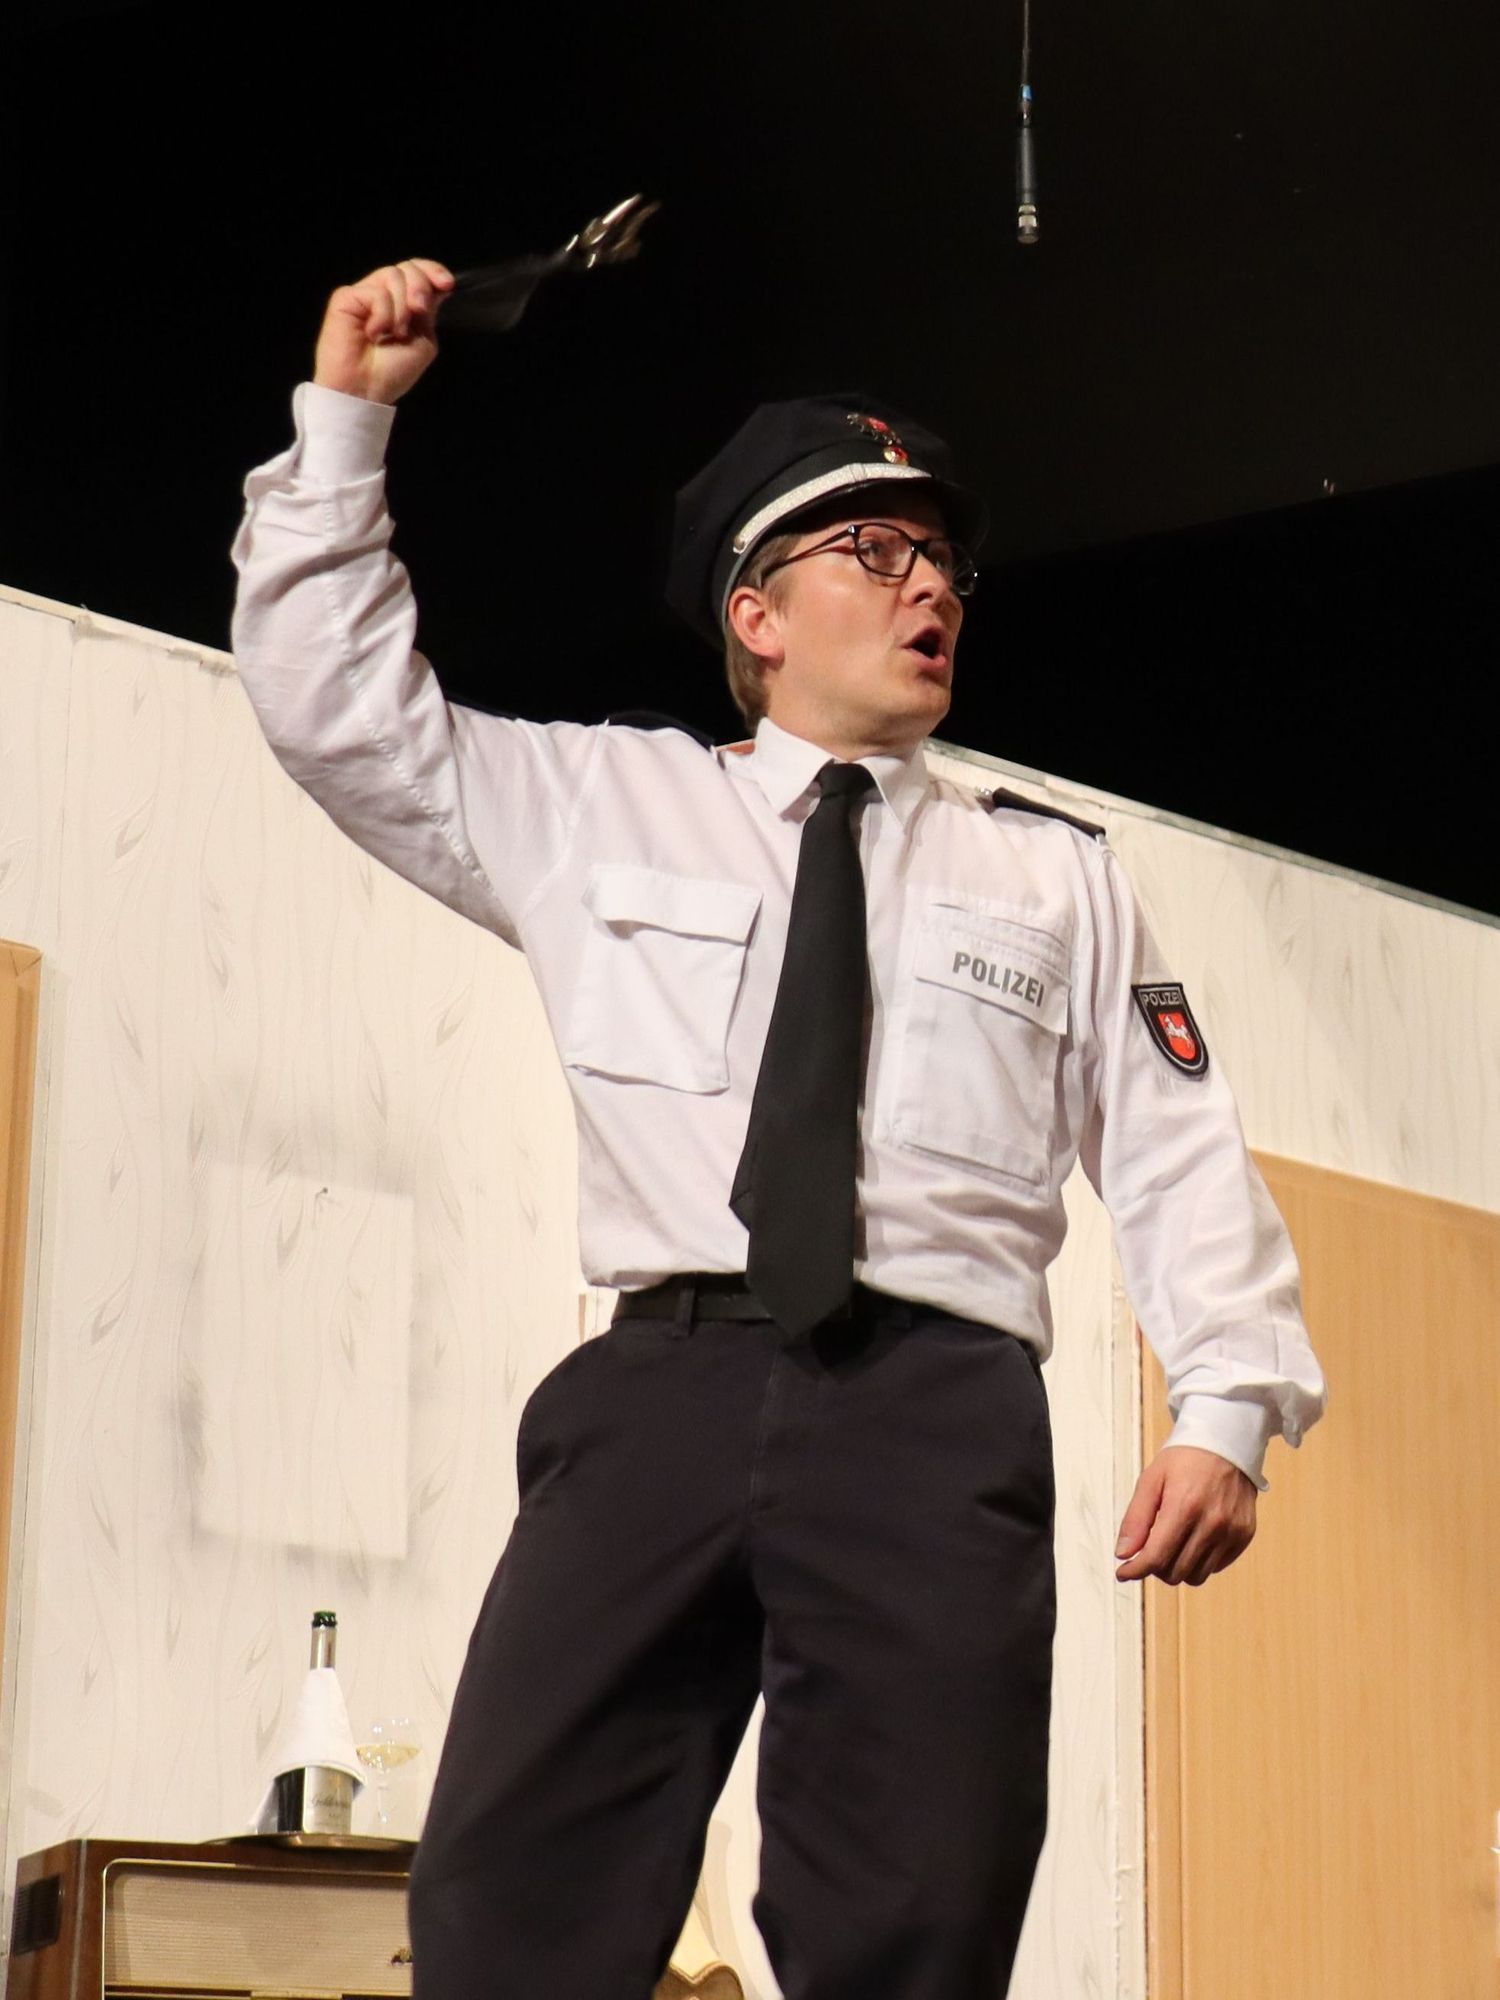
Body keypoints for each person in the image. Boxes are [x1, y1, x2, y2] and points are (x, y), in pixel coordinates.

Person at [229, 256, 1327, 2000]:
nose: (931, 587)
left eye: (946, 562)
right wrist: (347, 421)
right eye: (875, 552)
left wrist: (1231, 1406)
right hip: (659, 1387)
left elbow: (1175, 1143)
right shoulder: (602, 806)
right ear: (756, 612)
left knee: (917, 1913)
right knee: (514, 1891)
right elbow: (334, 709)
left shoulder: (1053, 875)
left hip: (933, 1413)